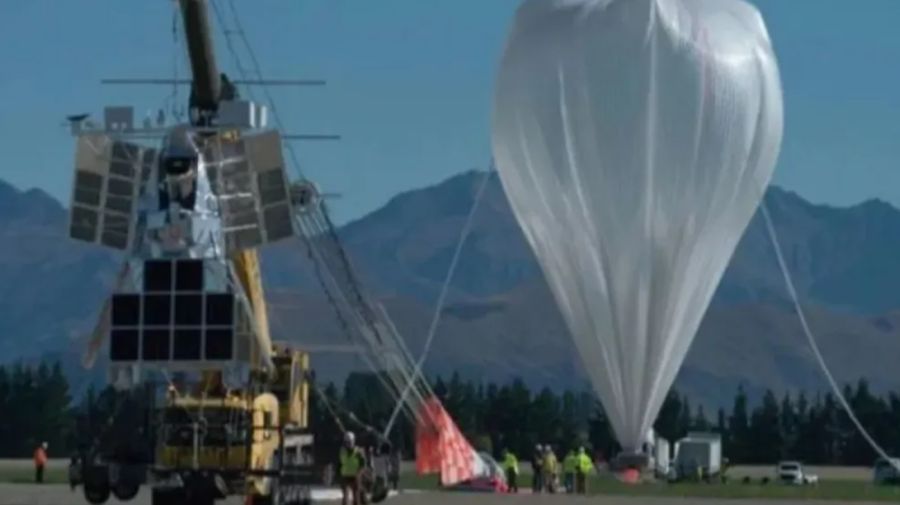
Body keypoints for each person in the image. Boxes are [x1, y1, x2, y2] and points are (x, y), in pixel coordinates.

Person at [339, 432, 366, 505]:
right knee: (345, 498)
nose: (348, 444)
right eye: (347, 442)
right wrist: (339, 474)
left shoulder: (358, 451)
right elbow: (340, 464)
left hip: (355, 476)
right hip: (345, 476)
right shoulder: (342, 451)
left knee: (356, 497)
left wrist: (359, 474)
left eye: (350, 442)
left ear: (353, 441)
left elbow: (363, 464)